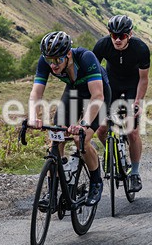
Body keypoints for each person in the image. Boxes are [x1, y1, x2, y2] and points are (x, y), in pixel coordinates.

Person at [28, 31, 110, 206]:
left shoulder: (86, 58)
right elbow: (36, 92)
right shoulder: (46, 61)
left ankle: (96, 182)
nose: (53, 65)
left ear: (69, 54)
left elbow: (97, 96)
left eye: (58, 60)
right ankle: (52, 192)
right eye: (50, 60)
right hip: (73, 93)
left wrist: (84, 124)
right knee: (55, 140)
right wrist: (33, 117)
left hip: (97, 95)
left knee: (82, 139)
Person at [93, 15, 151, 192]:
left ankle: (134, 173)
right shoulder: (102, 45)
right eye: (114, 35)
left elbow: (143, 79)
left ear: (130, 34)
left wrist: (137, 102)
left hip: (132, 87)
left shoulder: (140, 48)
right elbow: (91, 72)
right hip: (110, 86)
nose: (117, 40)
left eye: (122, 36)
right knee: (101, 129)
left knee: (132, 131)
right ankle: (111, 152)